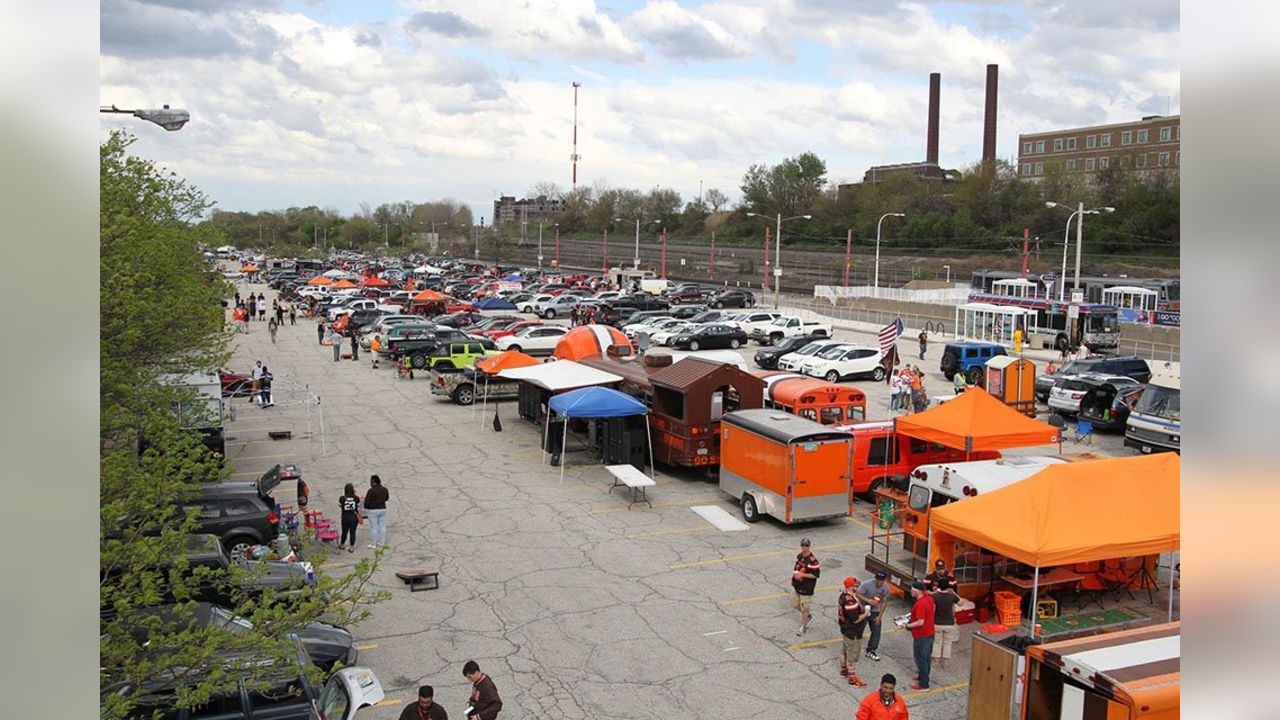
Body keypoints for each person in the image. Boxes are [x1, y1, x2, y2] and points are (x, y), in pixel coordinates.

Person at [837, 577, 871, 686]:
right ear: (851, 587)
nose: (858, 587)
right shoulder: (850, 601)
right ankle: (852, 678)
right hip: (852, 631)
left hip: (846, 629)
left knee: (844, 650)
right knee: (851, 656)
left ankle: (843, 670)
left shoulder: (843, 596)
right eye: (856, 586)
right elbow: (855, 619)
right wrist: (866, 613)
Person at [905, 581, 935, 690]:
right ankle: (923, 676)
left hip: (921, 635)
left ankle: (924, 684)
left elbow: (920, 622)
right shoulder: (929, 599)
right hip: (930, 632)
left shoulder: (920, 604)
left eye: (912, 590)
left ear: (918, 591)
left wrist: (908, 626)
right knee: (926, 657)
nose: (910, 592)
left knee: (920, 658)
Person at [789, 538, 821, 636]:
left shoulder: (813, 561)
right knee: (793, 603)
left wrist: (802, 575)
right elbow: (796, 568)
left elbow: (815, 575)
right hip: (797, 585)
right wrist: (793, 579)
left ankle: (802, 626)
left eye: (806, 545)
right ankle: (808, 616)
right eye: (803, 545)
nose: (804, 547)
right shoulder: (799, 556)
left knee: (805, 608)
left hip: (807, 587)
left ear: (809, 546)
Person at [857, 571, 890, 662]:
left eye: (881, 580)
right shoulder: (867, 584)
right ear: (875, 578)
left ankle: (871, 650)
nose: (879, 582)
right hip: (863, 609)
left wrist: (879, 616)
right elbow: (858, 594)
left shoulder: (885, 588)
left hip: (875, 611)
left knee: (876, 631)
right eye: (878, 580)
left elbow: (884, 602)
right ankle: (854, 648)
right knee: (859, 630)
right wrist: (868, 600)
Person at [930, 578, 960, 671]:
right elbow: (961, 603)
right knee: (947, 642)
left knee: (937, 642)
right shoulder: (952, 596)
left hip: (937, 623)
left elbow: (932, 609)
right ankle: (945, 662)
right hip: (949, 623)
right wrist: (954, 593)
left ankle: (936, 661)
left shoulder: (934, 596)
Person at [364, 475, 389, 549]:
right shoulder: (385, 489)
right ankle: (382, 542)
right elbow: (387, 498)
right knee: (382, 526)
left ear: (374, 482)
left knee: (374, 528)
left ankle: (373, 544)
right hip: (382, 509)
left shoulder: (371, 491)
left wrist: (366, 507)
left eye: (371, 481)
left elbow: (367, 502)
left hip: (373, 510)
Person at [338, 483, 361, 553]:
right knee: (352, 532)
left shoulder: (342, 498)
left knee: (344, 532)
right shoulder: (356, 498)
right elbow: (359, 506)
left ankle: (342, 544)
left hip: (345, 517)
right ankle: (351, 547)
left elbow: (340, 505)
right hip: (353, 517)